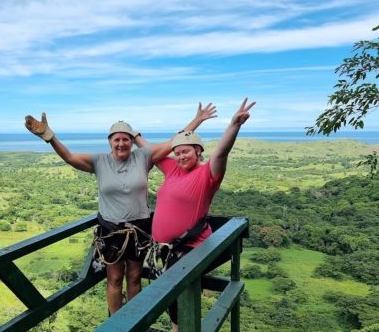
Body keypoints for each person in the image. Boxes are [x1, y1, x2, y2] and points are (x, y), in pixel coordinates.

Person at [24, 103, 216, 315]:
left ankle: (134, 320)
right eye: (117, 139)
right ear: (110, 142)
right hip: (111, 229)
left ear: (132, 142)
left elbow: (175, 142)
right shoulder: (99, 161)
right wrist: (50, 137)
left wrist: (197, 120)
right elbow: (70, 158)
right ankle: (116, 323)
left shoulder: (143, 157)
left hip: (139, 227)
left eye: (126, 139)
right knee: (114, 278)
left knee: (134, 277)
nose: (122, 143)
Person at [140, 97, 255, 331]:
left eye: (187, 152)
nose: (182, 156)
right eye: (179, 153)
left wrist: (234, 125)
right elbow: (153, 151)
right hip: (167, 249)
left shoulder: (207, 175)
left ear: (199, 152)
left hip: (189, 249)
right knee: (175, 297)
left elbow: (222, 153)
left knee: (176, 296)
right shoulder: (173, 169)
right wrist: (136, 137)